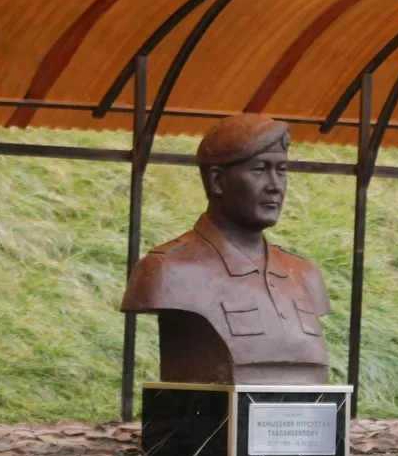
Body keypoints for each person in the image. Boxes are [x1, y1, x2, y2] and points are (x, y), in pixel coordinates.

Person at [126, 114, 333, 384]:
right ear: (217, 181)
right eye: (259, 170)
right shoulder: (168, 271)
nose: (275, 186)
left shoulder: (304, 274)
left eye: (281, 170)